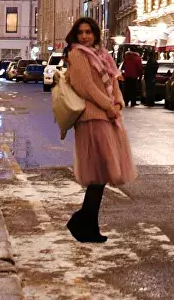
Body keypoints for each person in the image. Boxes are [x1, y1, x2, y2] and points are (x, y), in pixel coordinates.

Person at [63, 17, 136, 243]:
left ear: (95, 34)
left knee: (101, 174)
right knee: (100, 172)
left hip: (107, 117)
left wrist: (118, 104)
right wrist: (108, 106)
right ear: (75, 36)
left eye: (89, 32)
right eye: (81, 33)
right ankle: (84, 223)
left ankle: (86, 224)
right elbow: (86, 87)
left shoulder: (102, 55)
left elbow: (114, 82)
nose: (85, 36)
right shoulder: (76, 55)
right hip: (91, 119)